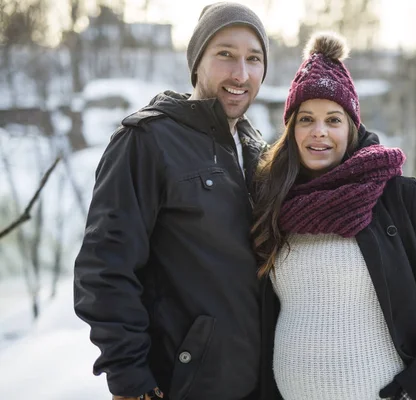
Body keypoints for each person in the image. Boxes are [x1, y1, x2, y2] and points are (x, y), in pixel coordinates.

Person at [252, 32, 416, 400]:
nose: (319, 132)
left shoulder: (398, 197)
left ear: (351, 127)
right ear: (291, 128)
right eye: (306, 118)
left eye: (333, 119)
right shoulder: (274, 201)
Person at [73, 3, 269, 399]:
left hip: (258, 384)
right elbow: (105, 268)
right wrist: (129, 378)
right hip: (180, 384)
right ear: (197, 62)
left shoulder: (257, 151)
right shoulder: (147, 141)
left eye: (254, 58)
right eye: (225, 55)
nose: (241, 74)